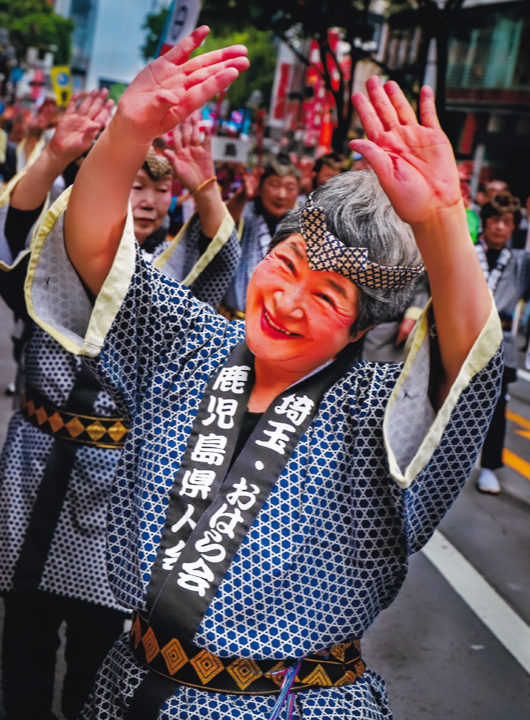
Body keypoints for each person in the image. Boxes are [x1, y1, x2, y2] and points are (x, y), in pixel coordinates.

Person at [26, 28, 501, 720]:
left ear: (361, 327)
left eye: (328, 296)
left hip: (284, 705)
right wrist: (127, 134)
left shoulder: (375, 411)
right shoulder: (191, 342)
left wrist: (441, 223)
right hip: (130, 686)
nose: (287, 301)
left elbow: (464, 372)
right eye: (286, 267)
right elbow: (98, 262)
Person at [0, 87, 239, 720]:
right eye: (134, 184)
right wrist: (53, 157)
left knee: (100, 645)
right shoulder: (65, 247)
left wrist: (208, 188)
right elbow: (14, 238)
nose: (148, 200)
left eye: (160, 191)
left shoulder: (173, 276)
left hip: (124, 479)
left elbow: (223, 264)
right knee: (22, 628)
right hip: (37, 457)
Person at [475, 192, 527, 494]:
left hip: (499, 347)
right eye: (494, 220)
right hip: (462, 341)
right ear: (485, 222)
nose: (499, 227)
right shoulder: (466, 252)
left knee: (495, 413)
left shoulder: (521, 262)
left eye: (507, 222)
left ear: (515, 227)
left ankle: (489, 468)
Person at [222, 157, 300, 317]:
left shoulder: (305, 224)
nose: (281, 195)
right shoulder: (243, 212)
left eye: (290, 187)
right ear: (261, 187)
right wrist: (242, 195)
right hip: (231, 318)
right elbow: (222, 227)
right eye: (274, 185)